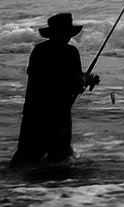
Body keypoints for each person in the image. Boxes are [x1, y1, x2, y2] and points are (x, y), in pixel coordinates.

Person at [9, 13, 100, 168]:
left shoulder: (38, 51)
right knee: (60, 162)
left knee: (23, 159)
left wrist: (82, 78)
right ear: (68, 33)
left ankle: (14, 188)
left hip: (33, 114)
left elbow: (51, 77)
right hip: (58, 116)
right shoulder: (70, 52)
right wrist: (87, 79)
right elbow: (76, 84)